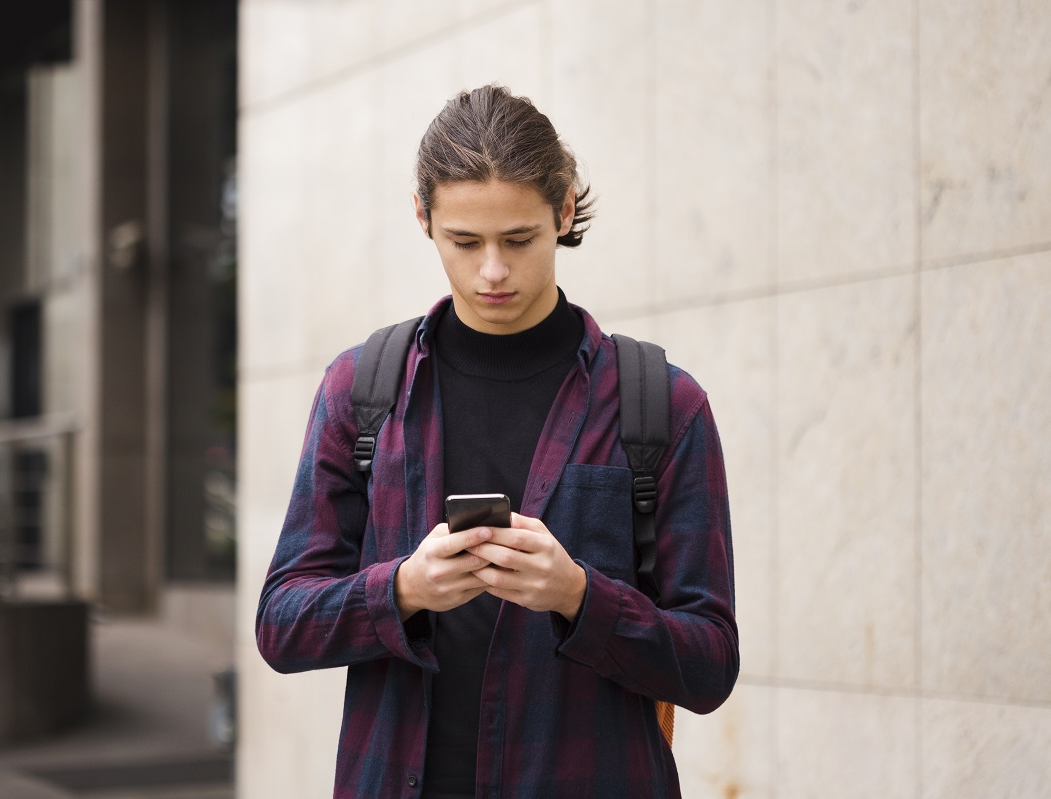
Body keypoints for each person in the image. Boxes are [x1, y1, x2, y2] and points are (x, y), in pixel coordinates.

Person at [257, 85, 738, 799]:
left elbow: (709, 664)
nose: (492, 271)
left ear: (565, 210)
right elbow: (281, 624)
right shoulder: (361, 391)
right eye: (464, 241)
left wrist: (580, 596)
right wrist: (403, 589)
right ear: (423, 217)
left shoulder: (662, 404)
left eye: (518, 239)